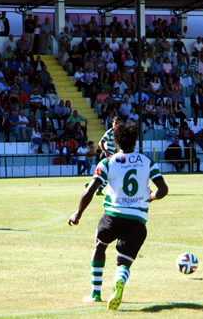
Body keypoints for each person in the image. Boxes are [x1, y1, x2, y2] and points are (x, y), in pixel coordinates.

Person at [68, 123, 169, 310]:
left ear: (115, 141)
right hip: (137, 220)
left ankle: (95, 293)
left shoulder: (108, 162)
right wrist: (152, 197)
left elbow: (90, 190)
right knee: (124, 262)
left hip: (112, 216)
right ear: (135, 141)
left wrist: (78, 213)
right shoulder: (147, 161)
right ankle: (119, 278)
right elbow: (163, 189)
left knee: (100, 245)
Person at [94, 117, 122, 196]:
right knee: (110, 174)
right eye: (115, 123)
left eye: (118, 123)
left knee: (106, 174)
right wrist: (106, 152)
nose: (116, 125)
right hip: (106, 155)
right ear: (112, 123)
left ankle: (92, 184)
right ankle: (99, 189)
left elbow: (115, 147)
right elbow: (100, 143)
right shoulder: (109, 132)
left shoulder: (117, 134)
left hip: (111, 156)